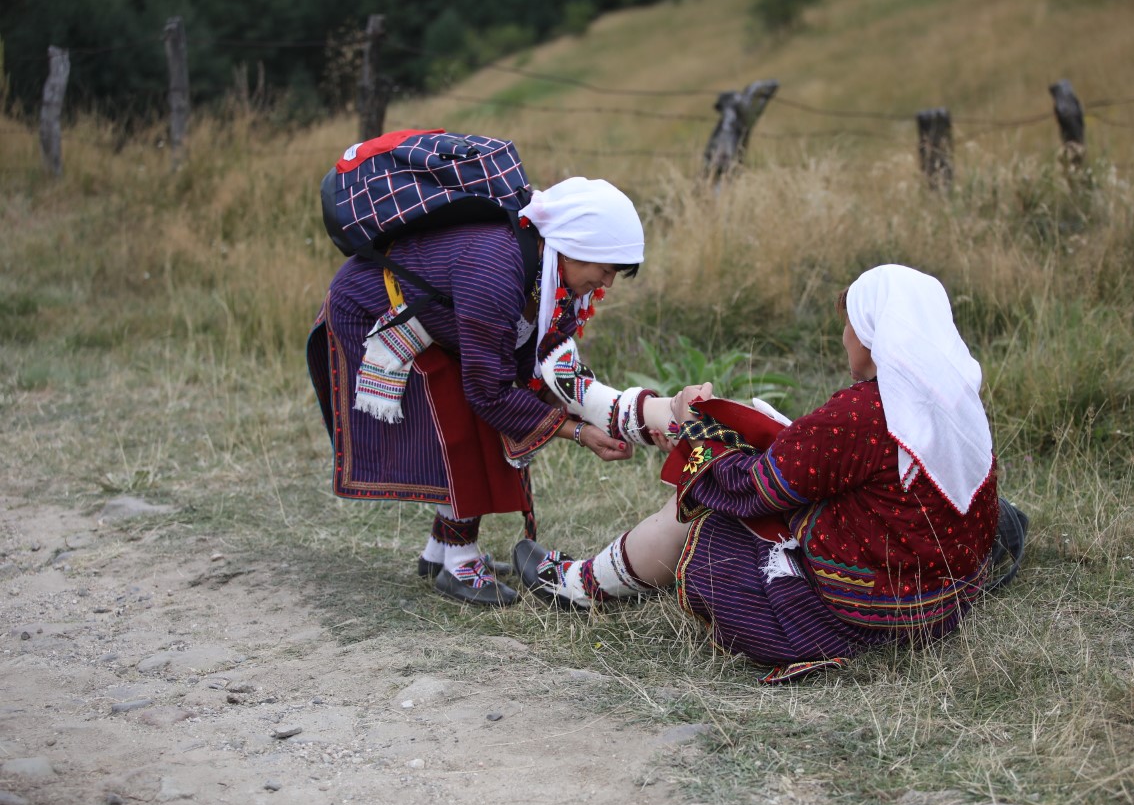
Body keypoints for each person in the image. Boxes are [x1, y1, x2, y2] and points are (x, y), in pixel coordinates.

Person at [515, 264, 1028, 679]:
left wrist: (703, 431)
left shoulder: (862, 414)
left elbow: (758, 488)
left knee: (699, 516)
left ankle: (581, 585)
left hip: (862, 611)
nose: (844, 334)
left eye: (849, 323)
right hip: (941, 594)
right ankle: (588, 580)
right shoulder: (956, 393)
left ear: (872, 334)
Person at [307, 177, 673, 606]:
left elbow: (541, 362)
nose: (606, 283)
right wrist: (574, 430)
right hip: (372, 315)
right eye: (605, 268)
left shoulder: (546, 274)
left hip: (427, 325)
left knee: (471, 417)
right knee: (463, 422)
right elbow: (489, 391)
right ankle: (459, 564)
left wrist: (600, 413)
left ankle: (439, 553)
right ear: (575, 247)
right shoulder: (496, 268)